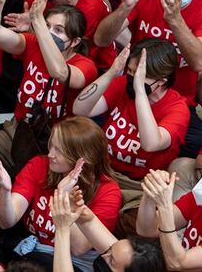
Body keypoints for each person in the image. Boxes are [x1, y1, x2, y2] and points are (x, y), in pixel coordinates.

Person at [0, 0, 98, 170]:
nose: (50, 33)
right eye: (48, 26)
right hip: (19, 130)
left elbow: (59, 72)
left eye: (59, 30)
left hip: (55, 146)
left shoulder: (86, 66)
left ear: (75, 42)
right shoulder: (34, 43)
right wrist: (0, 2)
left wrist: (39, 24)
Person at [73, 39, 190, 215]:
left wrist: (140, 91)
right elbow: (80, 109)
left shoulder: (177, 108)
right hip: (103, 171)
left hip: (139, 186)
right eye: (130, 71)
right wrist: (112, 72)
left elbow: (151, 143)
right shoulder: (122, 85)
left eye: (140, 75)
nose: (131, 78)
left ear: (162, 81)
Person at [0, 116, 122, 266]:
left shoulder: (108, 191)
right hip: (31, 248)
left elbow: (78, 248)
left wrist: (64, 195)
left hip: (74, 262)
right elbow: (6, 221)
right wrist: (6, 191)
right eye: (51, 146)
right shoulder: (39, 165)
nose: (50, 155)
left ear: (83, 157)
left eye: (59, 150)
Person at [94, 0, 202, 103]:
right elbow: (101, 40)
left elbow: (198, 63)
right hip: (133, 89)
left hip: (178, 101)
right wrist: (126, 7)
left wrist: (175, 20)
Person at [51, 188, 165, 272]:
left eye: (111, 261)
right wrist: (77, 210)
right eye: (110, 250)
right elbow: (89, 221)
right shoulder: (119, 255)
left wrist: (62, 228)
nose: (103, 255)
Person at [138, 169, 202, 272]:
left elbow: (176, 264)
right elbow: (146, 230)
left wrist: (164, 206)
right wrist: (152, 191)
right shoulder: (198, 197)